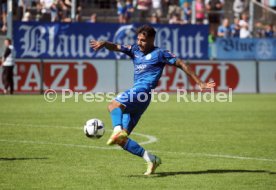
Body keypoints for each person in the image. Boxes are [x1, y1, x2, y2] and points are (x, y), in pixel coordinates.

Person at [90, 25, 215, 175]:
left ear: (151, 39)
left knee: (113, 105)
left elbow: (181, 63)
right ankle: (151, 159)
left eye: (143, 40)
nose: (139, 42)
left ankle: (117, 131)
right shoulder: (134, 49)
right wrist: (104, 43)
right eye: (138, 39)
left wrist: (199, 82)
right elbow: (116, 46)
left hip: (142, 91)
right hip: (141, 99)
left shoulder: (160, 53)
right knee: (121, 141)